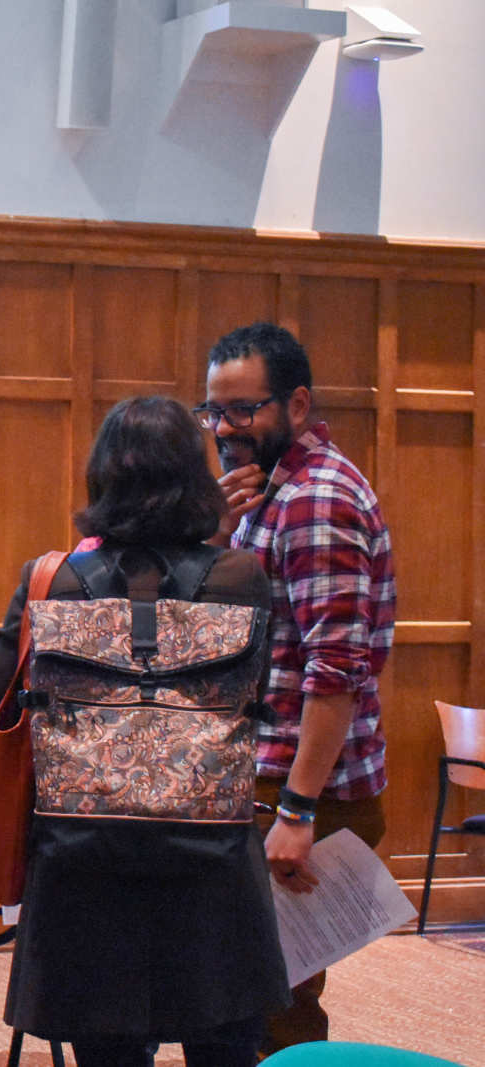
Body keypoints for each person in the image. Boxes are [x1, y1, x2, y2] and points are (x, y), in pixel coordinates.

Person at [0, 396, 289, 1067]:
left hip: (83, 872)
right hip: (213, 875)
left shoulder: (51, 580)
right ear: (194, 478)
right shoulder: (243, 579)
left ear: (101, 477)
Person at [198, 322, 394, 1054]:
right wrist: (222, 531)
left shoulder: (316, 500)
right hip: (273, 778)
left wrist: (300, 809)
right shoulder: (269, 493)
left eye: (243, 410)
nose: (223, 429)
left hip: (302, 789)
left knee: (272, 1000)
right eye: (212, 411)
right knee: (253, 988)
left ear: (299, 405)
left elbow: (335, 669)